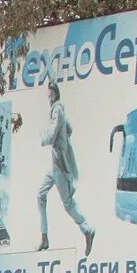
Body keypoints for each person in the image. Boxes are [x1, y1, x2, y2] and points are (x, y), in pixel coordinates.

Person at [35, 82, 94, 255]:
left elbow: (52, 135)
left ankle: (87, 229)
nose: (49, 98)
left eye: (51, 95)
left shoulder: (57, 109)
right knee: (40, 195)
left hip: (59, 165)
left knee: (68, 203)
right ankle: (44, 237)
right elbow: (69, 129)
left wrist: (43, 137)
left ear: (56, 94)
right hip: (55, 164)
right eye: (49, 95)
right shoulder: (58, 110)